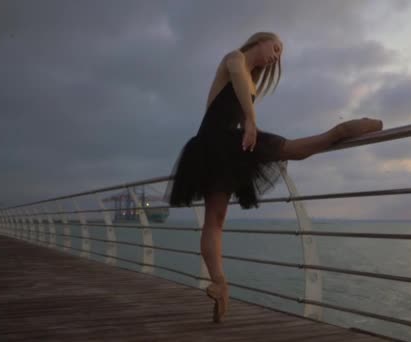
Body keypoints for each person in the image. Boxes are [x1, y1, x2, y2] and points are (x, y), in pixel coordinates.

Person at [164, 32, 383, 323]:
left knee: (215, 221)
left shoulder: (250, 82)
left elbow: (242, 107)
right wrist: (252, 122)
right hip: (216, 143)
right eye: (276, 48)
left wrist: (258, 144)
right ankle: (338, 133)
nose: (276, 56)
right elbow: (239, 83)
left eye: (279, 55)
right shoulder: (234, 58)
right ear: (262, 39)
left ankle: (220, 283)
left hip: (217, 146)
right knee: (293, 150)